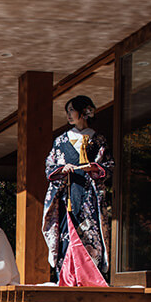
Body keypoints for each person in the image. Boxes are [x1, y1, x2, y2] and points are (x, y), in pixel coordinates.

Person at [43, 95, 113, 286]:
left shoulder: (98, 140)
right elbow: (50, 167)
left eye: (72, 110)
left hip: (90, 197)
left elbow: (109, 166)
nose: (69, 115)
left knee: (91, 236)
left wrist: (95, 168)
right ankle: (67, 279)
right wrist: (61, 170)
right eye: (67, 111)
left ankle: (91, 280)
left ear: (84, 113)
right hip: (68, 196)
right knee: (67, 236)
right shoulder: (61, 141)